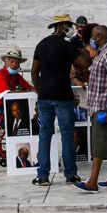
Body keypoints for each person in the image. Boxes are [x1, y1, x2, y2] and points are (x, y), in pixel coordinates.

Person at [31, 14, 82, 186]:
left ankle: (42, 175)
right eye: (69, 26)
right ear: (61, 27)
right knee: (67, 135)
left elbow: (34, 72)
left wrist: (40, 92)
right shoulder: (67, 46)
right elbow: (82, 63)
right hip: (62, 96)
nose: (71, 29)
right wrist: (81, 50)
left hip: (45, 96)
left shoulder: (42, 44)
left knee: (45, 134)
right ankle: (71, 174)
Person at [75, 25, 107, 193]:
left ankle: (93, 181)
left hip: (104, 106)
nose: (91, 40)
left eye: (92, 37)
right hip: (98, 103)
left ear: (98, 36)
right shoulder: (102, 54)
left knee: (98, 143)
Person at [0, 49, 33, 161]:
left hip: (11, 109)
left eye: (17, 62)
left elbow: (29, 87)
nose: (15, 65)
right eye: (12, 62)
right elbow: (7, 93)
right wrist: (24, 92)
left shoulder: (16, 77)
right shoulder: (0, 75)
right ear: (6, 62)